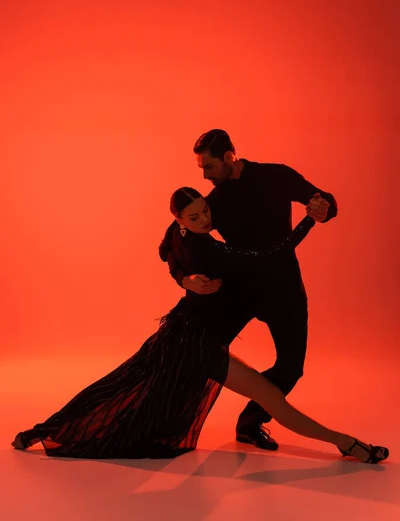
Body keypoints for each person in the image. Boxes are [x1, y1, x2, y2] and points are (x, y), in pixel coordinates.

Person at [12, 188, 388, 465]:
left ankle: (41, 431)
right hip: (196, 342)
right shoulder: (211, 249)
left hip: (180, 330)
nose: (205, 219)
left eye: (205, 210)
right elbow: (272, 256)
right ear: (181, 220)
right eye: (195, 217)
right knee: (273, 401)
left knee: (122, 383)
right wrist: (309, 220)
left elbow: (165, 253)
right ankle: (349, 445)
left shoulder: (178, 234)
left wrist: (182, 276)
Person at [163, 129, 338, 451]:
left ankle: (250, 423)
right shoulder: (213, 201)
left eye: (208, 167)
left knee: (291, 367)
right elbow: (171, 241)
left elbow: (324, 199)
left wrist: (322, 208)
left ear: (229, 157)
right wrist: (185, 279)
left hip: (283, 289)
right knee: (197, 353)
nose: (204, 175)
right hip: (236, 292)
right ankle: (165, 420)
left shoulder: (277, 175)